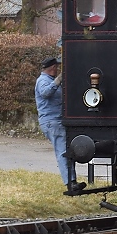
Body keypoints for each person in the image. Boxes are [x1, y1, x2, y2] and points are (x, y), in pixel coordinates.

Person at [35, 56, 84, 195]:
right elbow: (45, 93)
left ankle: (72, 181)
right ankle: (70, 183)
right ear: (52, 68)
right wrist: (58, 80)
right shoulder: (43, 81)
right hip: (52, 122)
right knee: (63, 151)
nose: (57, 69)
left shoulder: (48, 80)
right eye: (56, 67)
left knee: (67, 151)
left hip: (56, 121)